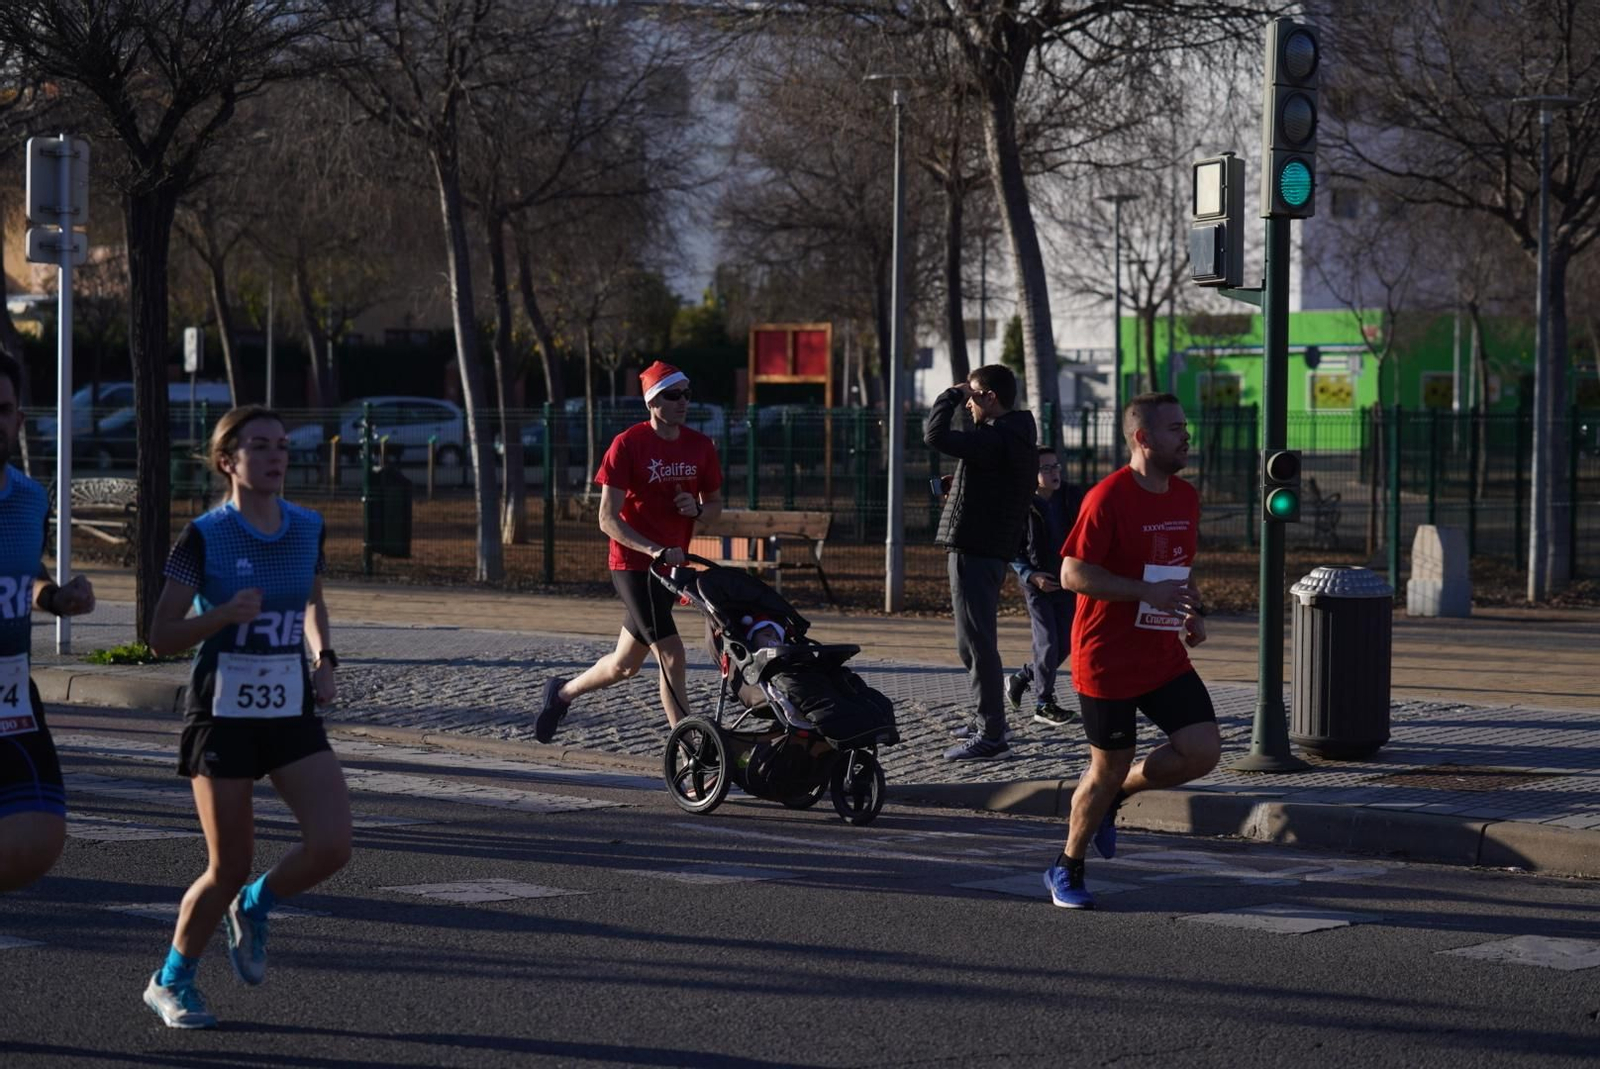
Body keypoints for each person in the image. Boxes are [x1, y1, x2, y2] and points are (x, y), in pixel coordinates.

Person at [144, 406, 350, 1028]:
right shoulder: (205, 535)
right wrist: (222, 615)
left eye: (281, 445)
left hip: (289, 706)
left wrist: (324, 659)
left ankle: (256, 905)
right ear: (227, 461)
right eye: (259, 446)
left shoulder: (307, 526)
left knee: (332, 844)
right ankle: (171, 979)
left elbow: (312, 602)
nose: (275, 456)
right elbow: (160, 635)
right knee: (228, 865)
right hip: (221, 713)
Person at [1044, 392, 1220, 910]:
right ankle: (1066, 866)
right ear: (1143, 438)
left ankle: (1120, 794)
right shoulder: (1107, 497)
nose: (1186, 436)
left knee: (1202, 751)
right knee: (1106, 767)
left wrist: (1191, 612)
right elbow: (1071, 573)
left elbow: (1178, 570)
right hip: (1107, 660)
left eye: (1185, 426)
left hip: (1161, 656)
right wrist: (1145, 592)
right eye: (1174, 429)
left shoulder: (1185, 497)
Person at [537, 361, 723, 740]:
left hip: (671, 568)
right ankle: (688, 752)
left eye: (686, 394)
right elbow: (607, 519)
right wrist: (653, 549)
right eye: (672, 395)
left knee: (625, 665)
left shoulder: (700, 446)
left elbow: (715, 507)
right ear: (652, 402)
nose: (682, 402)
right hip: (634, 566)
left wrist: (697, 509)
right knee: (672, 654)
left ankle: (561, 693)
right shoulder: (627, 445)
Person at [0, 353, 96, 893]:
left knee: (39, 835)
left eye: (2, 409)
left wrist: (57, 598)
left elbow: (25, 576)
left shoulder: (30, 498)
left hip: (10, 690)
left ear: (18, 419)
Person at [924, 364, 1038, 760]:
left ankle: (991, 734)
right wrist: (961, 489)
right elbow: (997, 488)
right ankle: (988, 720)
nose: (968, 403)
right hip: (986, 547)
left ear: (991, 397)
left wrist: (950, 395)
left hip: (975, 549)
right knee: (971, 642)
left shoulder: (996, 436)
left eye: (972, 396)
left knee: (976, 643)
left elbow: (934, 435)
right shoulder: (1014, 435)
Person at [1007, 446, 1082, 729]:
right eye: (1046, 468)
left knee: (1066, 643)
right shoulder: (1021, 504)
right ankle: (1044, 703)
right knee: (1048, 643)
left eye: (1056, 466)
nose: (1054, 473)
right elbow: (1012, 549)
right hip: (1038, 587)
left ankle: (1023, 677)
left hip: (1067, 582)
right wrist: (1031, 575)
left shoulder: (1071, 497)